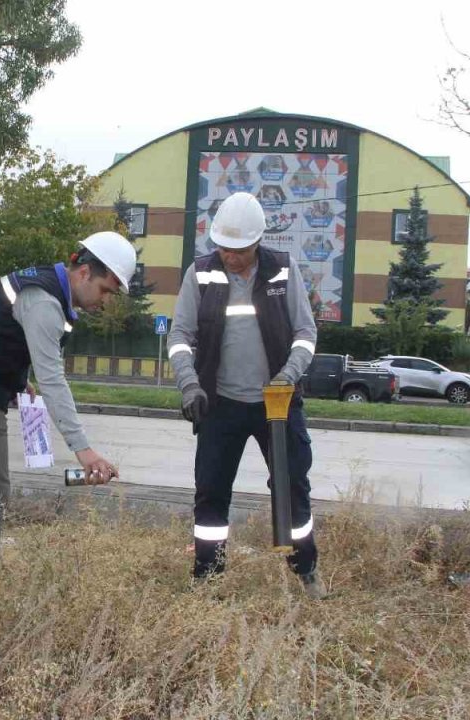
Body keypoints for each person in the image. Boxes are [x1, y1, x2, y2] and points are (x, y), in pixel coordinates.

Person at [0, 232, 138, 562]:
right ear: (84, 273)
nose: (105, 301)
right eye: (105, 290)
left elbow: (4, 334)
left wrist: (18, 379)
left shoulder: (44, 284)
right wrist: (83, 450)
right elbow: (53, 379)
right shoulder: (45, 302)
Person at [165, 191, 326, 599]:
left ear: (257, 242)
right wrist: (189, 384)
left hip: (277, 403)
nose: (230, 257)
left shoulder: (283, 271)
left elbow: (306, 334)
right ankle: (206, 579)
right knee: (211, 493)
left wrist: (288, 376)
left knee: (291, 490)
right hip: (220, 404)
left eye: (238, 250)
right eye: (223, 248)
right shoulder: (200, 273)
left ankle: (306, 573)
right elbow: (181, 336)